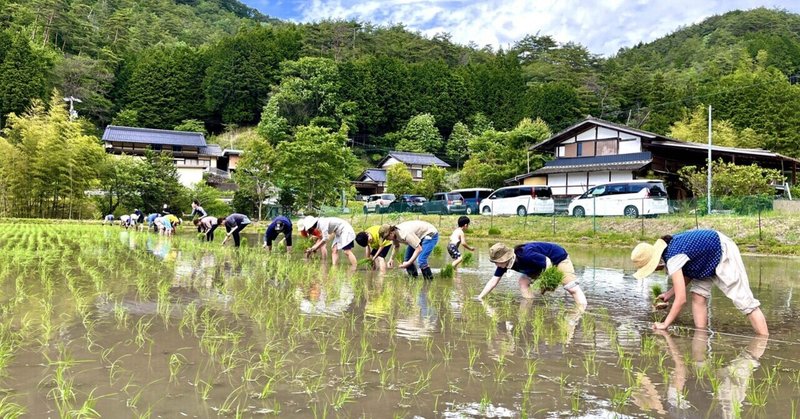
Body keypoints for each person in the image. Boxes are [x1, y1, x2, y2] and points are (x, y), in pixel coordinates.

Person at [631, 229, 769, 335]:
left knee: (744, 301)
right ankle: (701, 337)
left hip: (721, 250)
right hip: (704, 260)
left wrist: (664, 324)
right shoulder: (669, 252)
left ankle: (764, 340)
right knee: (698, 296)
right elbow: (689, 272)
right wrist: (668, 294)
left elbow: (681, 299)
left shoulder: (673, 257)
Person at [476, 242, 588, 310]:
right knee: (523, 282)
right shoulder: (503, 265)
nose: (496, 265)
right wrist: (480, 298)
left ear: (506, 258)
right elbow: (493, 281)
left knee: (571, 288)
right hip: (538, 266)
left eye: (497, 262)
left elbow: (547, 262)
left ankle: (582, 311)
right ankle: (528, 306)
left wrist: (546, 282)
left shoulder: (526, 255)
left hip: (557, 258)